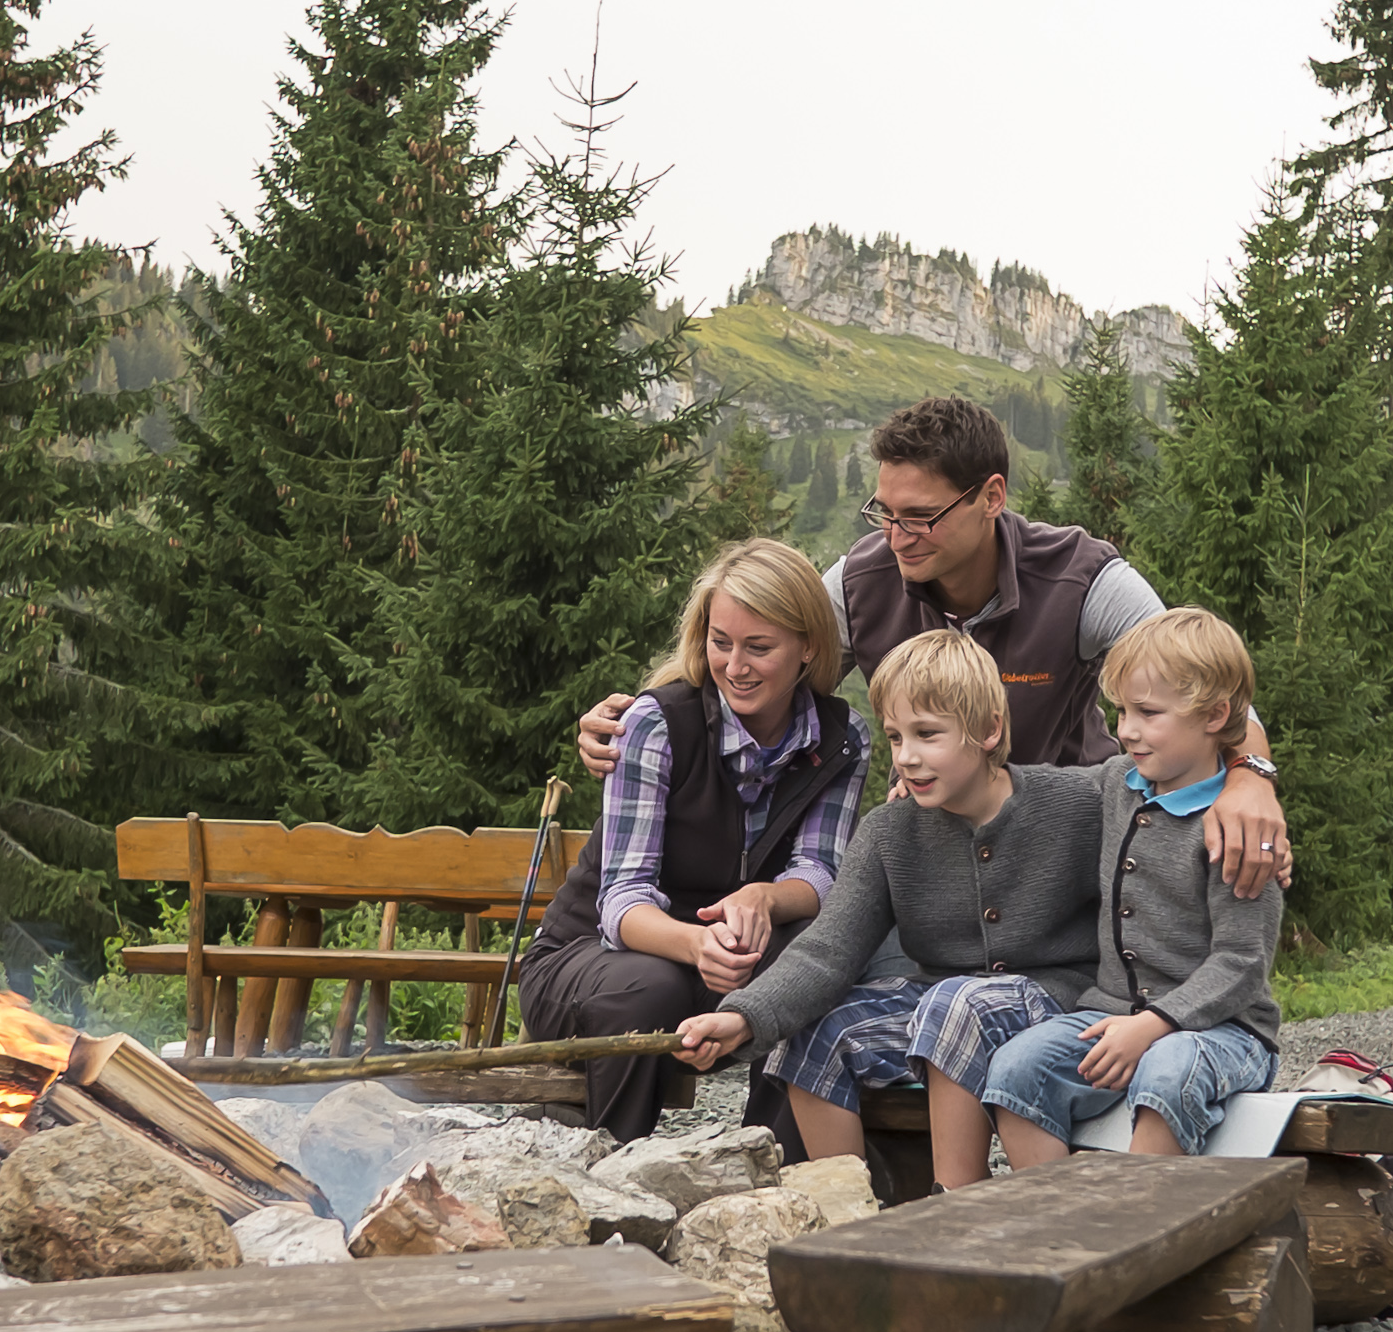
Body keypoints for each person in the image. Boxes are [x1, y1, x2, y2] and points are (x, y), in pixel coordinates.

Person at [577, 396, 1291, 892]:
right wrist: (646, 714)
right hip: (930, 845)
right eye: (883, 513)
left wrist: (1251, 775)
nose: (896, 537)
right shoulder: (859, 580)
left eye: (920, 517)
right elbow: (756, 659)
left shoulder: (1083, 577)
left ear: (991, 497)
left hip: (1069, 847)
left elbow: (1201, 689)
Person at [663, 631, 1105, 1183]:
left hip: (1057, 1001)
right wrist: (741, 1015)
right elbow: (827, 951)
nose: (907, 758)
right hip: (942, 1003)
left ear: (989, 730)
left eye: (927, 734)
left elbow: (1156, 781)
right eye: (896, 737)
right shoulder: (889, 832)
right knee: (817, 1031)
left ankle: (955, 1208)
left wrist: (1232, 786)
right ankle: (846, 1208)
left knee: (955, 1004)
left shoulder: (1075, 802)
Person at [514, 539, 866, 1142]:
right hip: (588, 960)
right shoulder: (654, 724)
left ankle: (773, 1163)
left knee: (811, 966)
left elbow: (819, 870)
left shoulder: (841, 739)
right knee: (654, 985)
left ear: (809, 646)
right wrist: (700, 944)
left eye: (759, 647)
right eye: (720, 642)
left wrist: (764, 898)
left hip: (718, 968)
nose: (735, 666)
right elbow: (621, 902)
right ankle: (612, 1159)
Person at [965, 608, 1285, 1172]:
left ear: (1215, 715)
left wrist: (1153, 1026)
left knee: (1168, 1072)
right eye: (1121, 711)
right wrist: (950, 777)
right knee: (1016, 1070)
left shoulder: (1236, 830)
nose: (1126, 730)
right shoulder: (1117, 783)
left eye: (1148, 713)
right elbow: (1029, 788)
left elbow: (1242, 962)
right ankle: (1061, 1218)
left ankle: (1140, 1218)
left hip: (1221, 1030)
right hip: (1113, 1014)